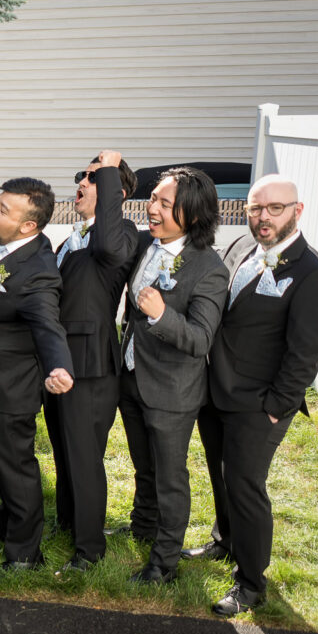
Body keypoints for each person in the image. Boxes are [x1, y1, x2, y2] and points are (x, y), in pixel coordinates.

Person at [183, 175, 318, 615]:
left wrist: (275, 409)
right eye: (254, 208)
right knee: (221, 476)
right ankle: (224, 541)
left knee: (246, 487)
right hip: (216, 392)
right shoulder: (239, 250)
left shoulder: (313, 273)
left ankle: (250, 582)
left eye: (274, 209)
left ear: (297, 211)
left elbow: (307, 352)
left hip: (260, 403)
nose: (262, 218)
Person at [117, 166, 228, 585]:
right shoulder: (148, 243)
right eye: (153, 199)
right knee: (142, 467)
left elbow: (200, 339)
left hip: (171, 391)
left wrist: (162, 314)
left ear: (194, 216)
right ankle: (143, 526)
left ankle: (163, 561)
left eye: (166, 203)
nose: (153, 208)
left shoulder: (209, 269)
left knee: (169, 477)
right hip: (130, 377)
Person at [0, 177, 75, 570]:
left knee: (16, 468)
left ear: (29, 225)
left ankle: (26, 553)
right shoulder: (6, 234)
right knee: (2, 464)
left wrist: (59, 365)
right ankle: (11, 527)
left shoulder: (38, 272)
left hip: (10, 387)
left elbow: (47, 324)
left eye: (4, 210)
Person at [43, 150, 140, 572]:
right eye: (80, 177)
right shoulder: (70, 239)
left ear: (114, 194)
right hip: (59, 362)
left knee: (84, 457)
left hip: (94, 364)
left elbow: (107, 247)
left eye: (90, 179)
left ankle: (89, 550)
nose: (80, 185)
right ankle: (68, 523)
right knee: (63, 452)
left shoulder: (122, 235)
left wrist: (110, 170)